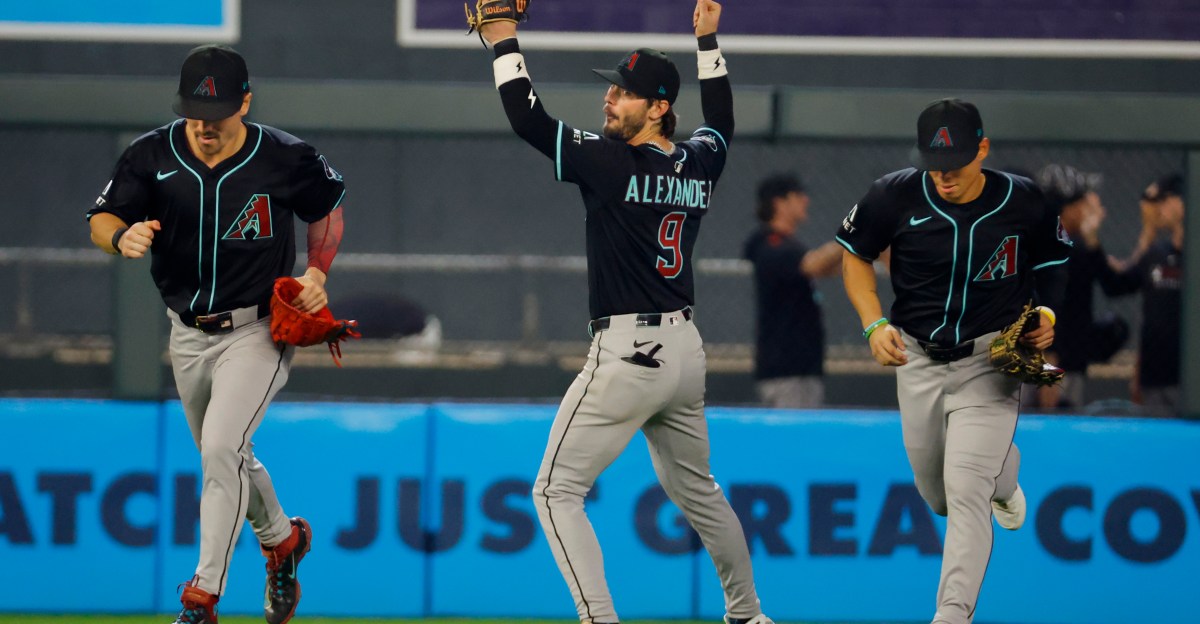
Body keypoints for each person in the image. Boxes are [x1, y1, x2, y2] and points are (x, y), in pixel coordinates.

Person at [478, 2, 773, 623]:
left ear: (659, 107)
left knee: (555, 490)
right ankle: (748, 616)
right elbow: (721, 118)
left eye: (627, 93)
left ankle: (599, 620)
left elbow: (528, 120)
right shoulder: (698, 162)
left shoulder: (612, 163)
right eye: (612, 87)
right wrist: (708, 40)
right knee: (700, 492)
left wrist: (503, 40)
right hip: (684, 352)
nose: (610, 98)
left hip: (630, 353)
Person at [86, 45, 346, 624]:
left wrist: (316, 271)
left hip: (256, 331)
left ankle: (202, 599)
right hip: (186, 333)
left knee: (222, 449)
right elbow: (101, 216)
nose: (205, 124)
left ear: (246, 103)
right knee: (224, 455)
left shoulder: (283, 156)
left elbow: (326, 208)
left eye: (220, 111)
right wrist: (118, 238)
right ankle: (282, 541)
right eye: (196, 111)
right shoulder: (152, 154)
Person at [836, 98, 1071, 624]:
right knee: (938, 495)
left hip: (990, 360)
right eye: (934, 163)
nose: (944, 175)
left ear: (983, 149)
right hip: (916, 359)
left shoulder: (1023, 200)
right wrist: (873, 324)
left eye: (957, 162)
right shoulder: (893, 194)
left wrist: (1048, 313)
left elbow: (1055, 264)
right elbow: (854, 256)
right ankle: (1005, 478)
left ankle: (952, 614)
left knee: (966, 489)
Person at [1030, 164, 1129, 410]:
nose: (1088, 207)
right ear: (1067, 207)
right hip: (1046, 365)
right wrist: (1049, 366)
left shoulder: (1073, 245)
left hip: (1060, 363)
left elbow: (1114, 283)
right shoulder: (1053, 247)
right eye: (1082, 201)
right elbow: (1050, 307)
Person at [743, 173, 842, 408]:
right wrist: (853, 234)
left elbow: (828, 267)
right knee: (792, 440)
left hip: (804, 368)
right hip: (785, 370)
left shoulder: (791, 244)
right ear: (779, 203)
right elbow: (814, 264)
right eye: (798, 195)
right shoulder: (768, 242)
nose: (805, 201)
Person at [1104, 173, 1186, 415]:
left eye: (1161, 200)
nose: (1155, 208)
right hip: (1156, 374)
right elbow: (1121, 284)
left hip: (1189, 375)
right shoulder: (1156, 253)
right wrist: (1147, 231)